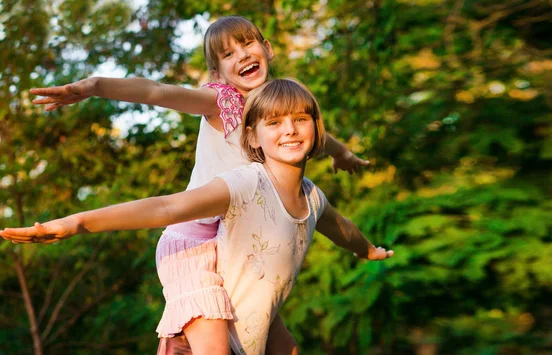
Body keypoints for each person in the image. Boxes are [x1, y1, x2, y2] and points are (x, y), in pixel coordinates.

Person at [31, 16, 369, 354]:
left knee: (275, 342)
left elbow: (318, 137)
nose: (242, 55)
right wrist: (95, 87)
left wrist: (344, 155)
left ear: (267, 49)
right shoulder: (220, 104)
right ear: (217, 75)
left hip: (233, 245)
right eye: (227, 54)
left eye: (248, 44)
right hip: (191, 243)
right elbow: (155, 91)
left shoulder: (277, 112)